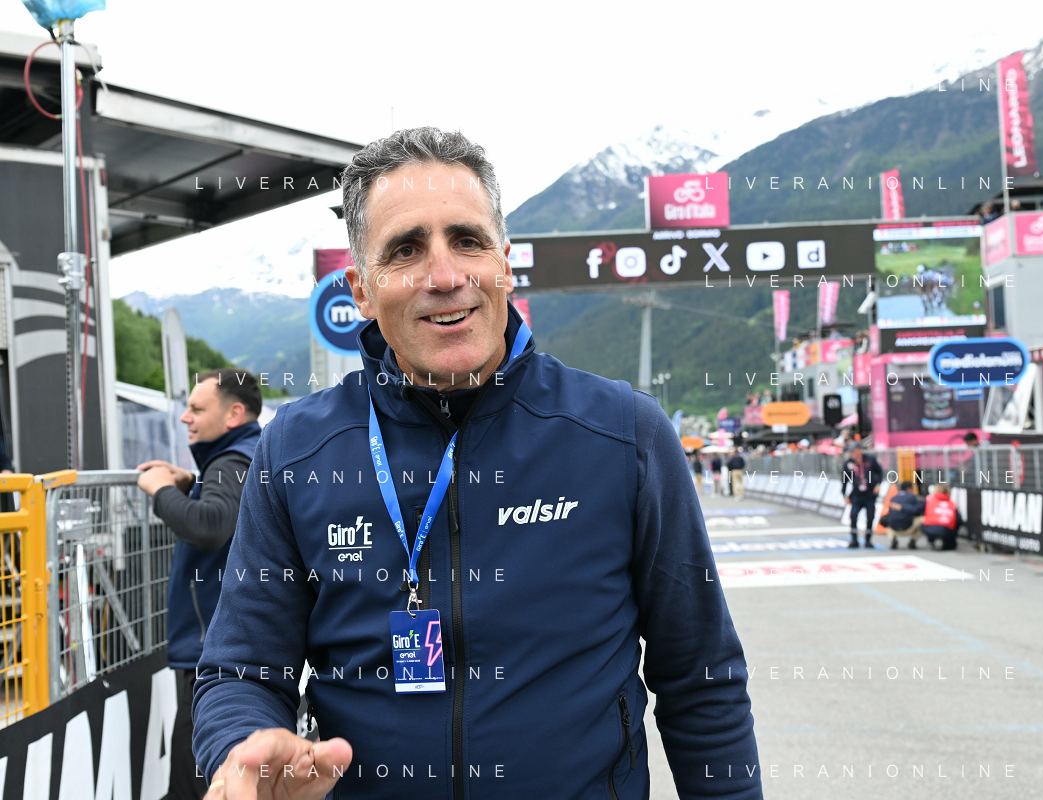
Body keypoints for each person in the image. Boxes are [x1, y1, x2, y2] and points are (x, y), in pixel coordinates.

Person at [191, 127, 759, 800]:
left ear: (504, 264)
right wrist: (243, 750)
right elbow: (240, 672)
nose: (445, 276)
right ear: (361, 291)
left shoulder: (623, 434)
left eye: (467, 240)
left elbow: (702, 681)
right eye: (406, 249)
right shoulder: (296, 450)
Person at [135, 368, 262, 800]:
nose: (184, 417)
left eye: (196, 408)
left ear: (234, 414)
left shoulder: (231, 461)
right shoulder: (246, 456)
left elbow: (210, 525)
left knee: (193, 781)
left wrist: (160, 490)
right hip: (233, 646)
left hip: (214, 651)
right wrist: (192, 483)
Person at [841, 444, 883, 548]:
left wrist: (878, 484)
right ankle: (854, 539)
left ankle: (868, 539)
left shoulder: (870, 460)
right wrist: (844, 495)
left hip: (869, 494)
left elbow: (879, 472)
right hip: (856, 494)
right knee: (853, 515)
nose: (852, 454)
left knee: (870, 516)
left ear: (859, 451)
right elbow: (844, 480)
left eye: (854, 451)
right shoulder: (849, 463)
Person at [880, 481, 925, 549]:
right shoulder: (912, 496)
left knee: (889, 519)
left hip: (893, 528)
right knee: (923, 519)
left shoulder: (893, 498)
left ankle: (892, 538)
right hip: (908, 526)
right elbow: (916, 510)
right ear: (909, 488)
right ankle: (913, 540)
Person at [921, 484, 961, 550]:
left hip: (930, 528)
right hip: (947, 529)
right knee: (951, 544)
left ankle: (930, 540)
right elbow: (958, 520)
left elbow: (917, 509)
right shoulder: (952, 503)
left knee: (921, 521)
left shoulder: (929, 499)